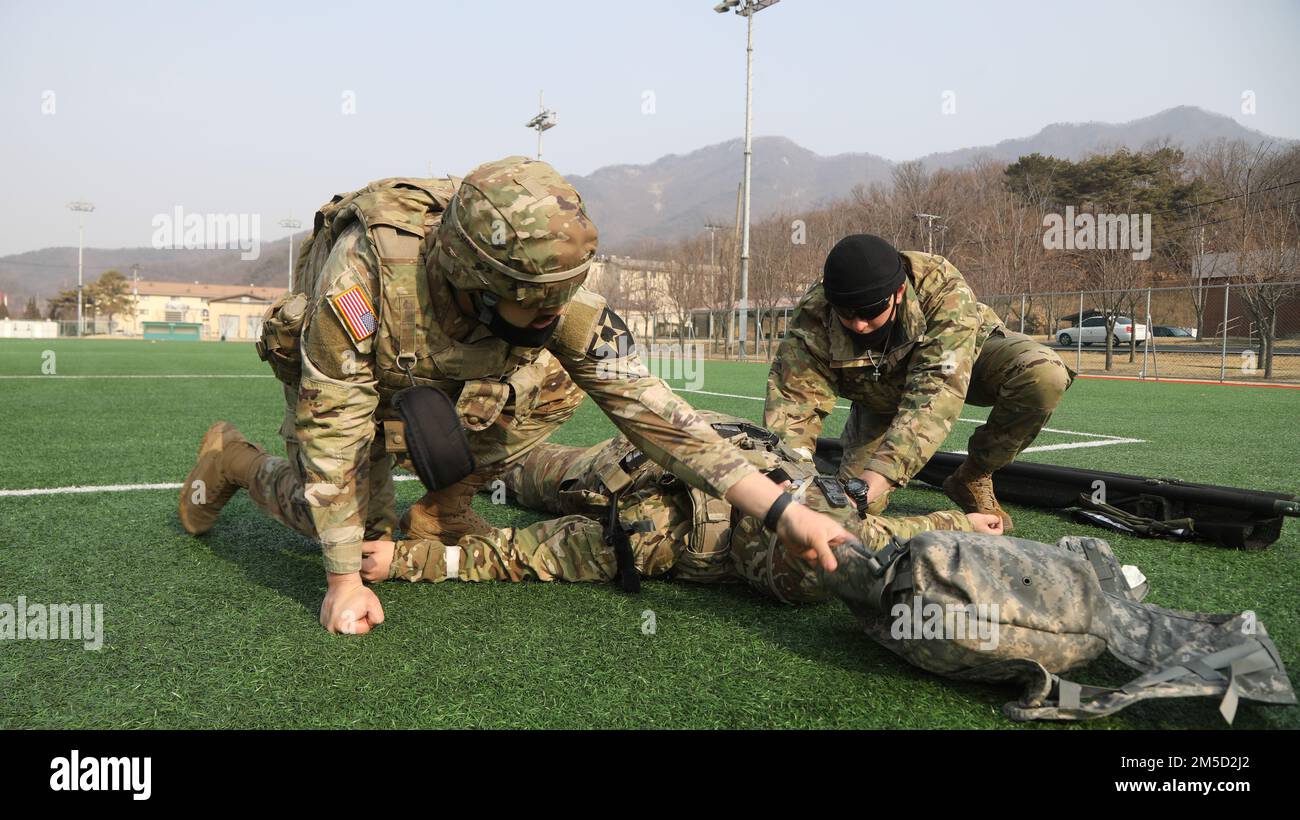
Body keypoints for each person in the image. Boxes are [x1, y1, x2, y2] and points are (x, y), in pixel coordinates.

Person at [178, 156, 855, 633]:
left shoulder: (549, 285)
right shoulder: (362, 279)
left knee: (556, 376)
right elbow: (333, 432)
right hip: (352, 386)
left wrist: (781, 511)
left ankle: (444, 512)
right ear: (477, 281)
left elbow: (652, 413)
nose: (554, 317)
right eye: (537, 308)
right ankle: (232, 458)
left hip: (447, 373)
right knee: (349, 532)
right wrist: (341, 582)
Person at [358, 412, 1003, 604]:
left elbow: (893, 527)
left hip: (652, 471)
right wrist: (413, 558)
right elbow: (529, 553)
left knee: (530, 474)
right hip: (627, 463)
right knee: (523, 468)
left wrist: (959, 523)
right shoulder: (664, 531)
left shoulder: (821, 515)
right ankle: (392, 443)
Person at [764, 234, 1074, 532]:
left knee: (1042, 373)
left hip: (963, 362)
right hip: (879, 394)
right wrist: (794, 484)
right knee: (852, 509)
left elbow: (935, 392)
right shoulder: (814, 314)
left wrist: (877, 478)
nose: (859, 324)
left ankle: (975, 474)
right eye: (846, 313)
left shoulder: (940, 286)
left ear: (898, 293)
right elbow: (793, 406)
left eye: (871, 311)